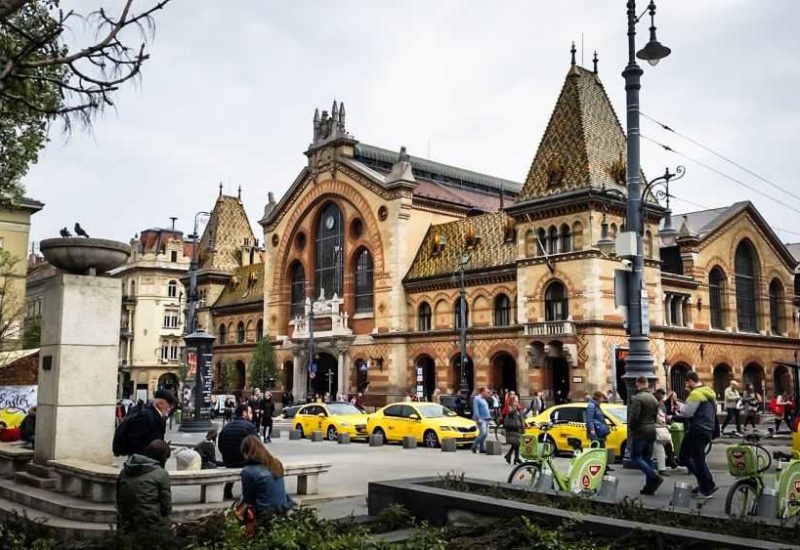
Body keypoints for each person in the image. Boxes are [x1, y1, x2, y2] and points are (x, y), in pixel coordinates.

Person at [674, 371, 717, 499]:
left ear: (690, 381)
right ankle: (707, 483)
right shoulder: (708, 392)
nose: (686, 386)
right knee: (699, 458)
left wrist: (679, 407)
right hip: (707, 429)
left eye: (686, 383)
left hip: (696, 430)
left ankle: (706, 487)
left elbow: (688, 413)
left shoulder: (695, 394)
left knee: (685, 457)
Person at [116, 439, 172, 532]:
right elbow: (166, 505)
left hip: (125, 520)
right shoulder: (161, 474)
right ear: (162, 457)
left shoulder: (125, 470)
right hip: (149, 523)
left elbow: (118, 496)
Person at [240, 435, 294, 527]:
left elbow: (248, 500)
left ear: (246, 452)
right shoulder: (276, 464)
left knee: (240, 509)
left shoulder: (248, 471)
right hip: (283, 509)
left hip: (264, 514)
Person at [114, 390, 176, 457]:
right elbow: (135, 442)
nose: (170, 409)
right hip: (142, 462)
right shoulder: (145, 416)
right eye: (170, 406)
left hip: (151, 461)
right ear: (160, 404)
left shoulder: (158, 416)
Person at [628, 377, 663, 495]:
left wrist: (632, 428)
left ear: (638, 383)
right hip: (651, 430)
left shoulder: (638, 398)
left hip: (640, 431)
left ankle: (654, 476)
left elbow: (634, 417)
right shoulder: (654, 398)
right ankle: (649, 487)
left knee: (635, 457)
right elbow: (655, 415)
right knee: (647, 458)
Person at [218, 403, 258, 499]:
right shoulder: (250, 427)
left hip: (228, 461)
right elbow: (257, 447)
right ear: (244, 413)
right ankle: (249, 492)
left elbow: (220, 445)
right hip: (244, 462)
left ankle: (228, 489)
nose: (252, 415)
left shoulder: (226, 427)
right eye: (250, 412)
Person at [653, 389, 679, 474]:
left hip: (657, 429)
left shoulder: (659, 405)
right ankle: (663, 467)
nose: (662, 400)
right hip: (659, 429)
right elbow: (661, 418)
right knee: (660, 449)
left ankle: (663, 466)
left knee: (660, 448)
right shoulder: (659, 406)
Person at [502, 394, 524, 464]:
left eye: (517, 400)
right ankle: (514, 457)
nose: (517, 401)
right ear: (512, 401)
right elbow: (509, 414)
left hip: (517, 427)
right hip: (512, 428)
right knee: (517, 443)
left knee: (517, 443)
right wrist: (518, 409)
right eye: (516, 400)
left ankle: (513, 457)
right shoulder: (510, 408)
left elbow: (521, 417)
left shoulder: (516, 407)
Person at [471, 387, 491, 454]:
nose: (487, 393)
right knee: (483, 433)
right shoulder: (477, 398)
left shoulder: (484, 399)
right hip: (481, 419)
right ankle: (474, 446)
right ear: (482, 392)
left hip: (487, 418)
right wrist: (478, 418)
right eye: (486, 392)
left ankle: (482, 448)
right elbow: (475, 409)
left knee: (485, 434)